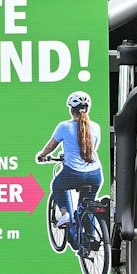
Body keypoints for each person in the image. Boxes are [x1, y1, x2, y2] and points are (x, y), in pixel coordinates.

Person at [37, 91, 104, 234]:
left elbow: (50, 147)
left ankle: (65, 214)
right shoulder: (96, 127)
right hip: (95, 174)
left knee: (57, 186)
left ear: (71, 109)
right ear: (87, 109)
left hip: (73, 174)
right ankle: (90, 240)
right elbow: (91, 149)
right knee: (87, 207)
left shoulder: (64, 126)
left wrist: (42, 155)